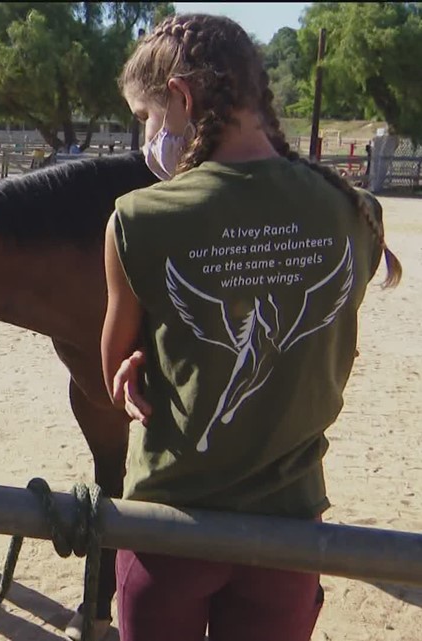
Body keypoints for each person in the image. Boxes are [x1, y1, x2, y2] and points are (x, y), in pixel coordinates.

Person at [100, 14, 402, 641]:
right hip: (290, 531)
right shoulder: (353, 210)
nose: (147, 135)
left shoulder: (137, 217)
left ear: (181, 98)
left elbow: (115, 370)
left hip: (168, 524)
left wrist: (138, 366)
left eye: (145, 116)